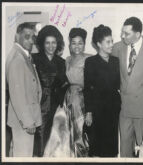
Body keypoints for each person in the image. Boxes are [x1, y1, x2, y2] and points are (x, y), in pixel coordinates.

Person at [112, 17, 143, 157]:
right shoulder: (117, 47)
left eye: (127, 33)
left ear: (137, 34)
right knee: (125, 147)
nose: (122, 36)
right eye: (122, 32)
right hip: (124, 106)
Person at [44, 28, 90, 157]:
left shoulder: (90, 58)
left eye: (80, 43)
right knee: (63, 130)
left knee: (79, 131)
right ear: (69, 45)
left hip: (81, 99)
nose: (76, 46)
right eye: (73, 43)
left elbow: (93, 81)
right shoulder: (68, 59)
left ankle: (82, 156)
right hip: (67, 97)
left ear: (84, 44)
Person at [84, 24, 121, 157]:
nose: (112, 44)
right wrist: (88, 112)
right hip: (98, 109)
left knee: (111, 146)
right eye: (108, 42)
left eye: (112, 41)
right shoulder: (90, 62)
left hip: (114, 108)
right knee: (97, 146)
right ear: (99, 44)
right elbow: (87, 88)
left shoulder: (116, 61)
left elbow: (119, 85)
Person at [6, 22, 42, 157]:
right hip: (23, 122)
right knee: (23, 156)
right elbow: (18, 95)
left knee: (19, 154)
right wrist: (28, 121)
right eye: (26, 36)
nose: (31, 41)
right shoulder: (17, 59)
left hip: (22, 119)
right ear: (17, 36)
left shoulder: (22, 55)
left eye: (33, 37)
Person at [32, 25, 68, 157]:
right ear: (42, 43)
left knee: (55, 139)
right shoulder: (34, 59)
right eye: (47, 42)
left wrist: (61, 101)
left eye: (54, 42)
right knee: (40, 138)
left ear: (58, 44)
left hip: (55, 106)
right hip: (39, 105)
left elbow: (64, 83)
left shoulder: (61, 62)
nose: (51, 46)